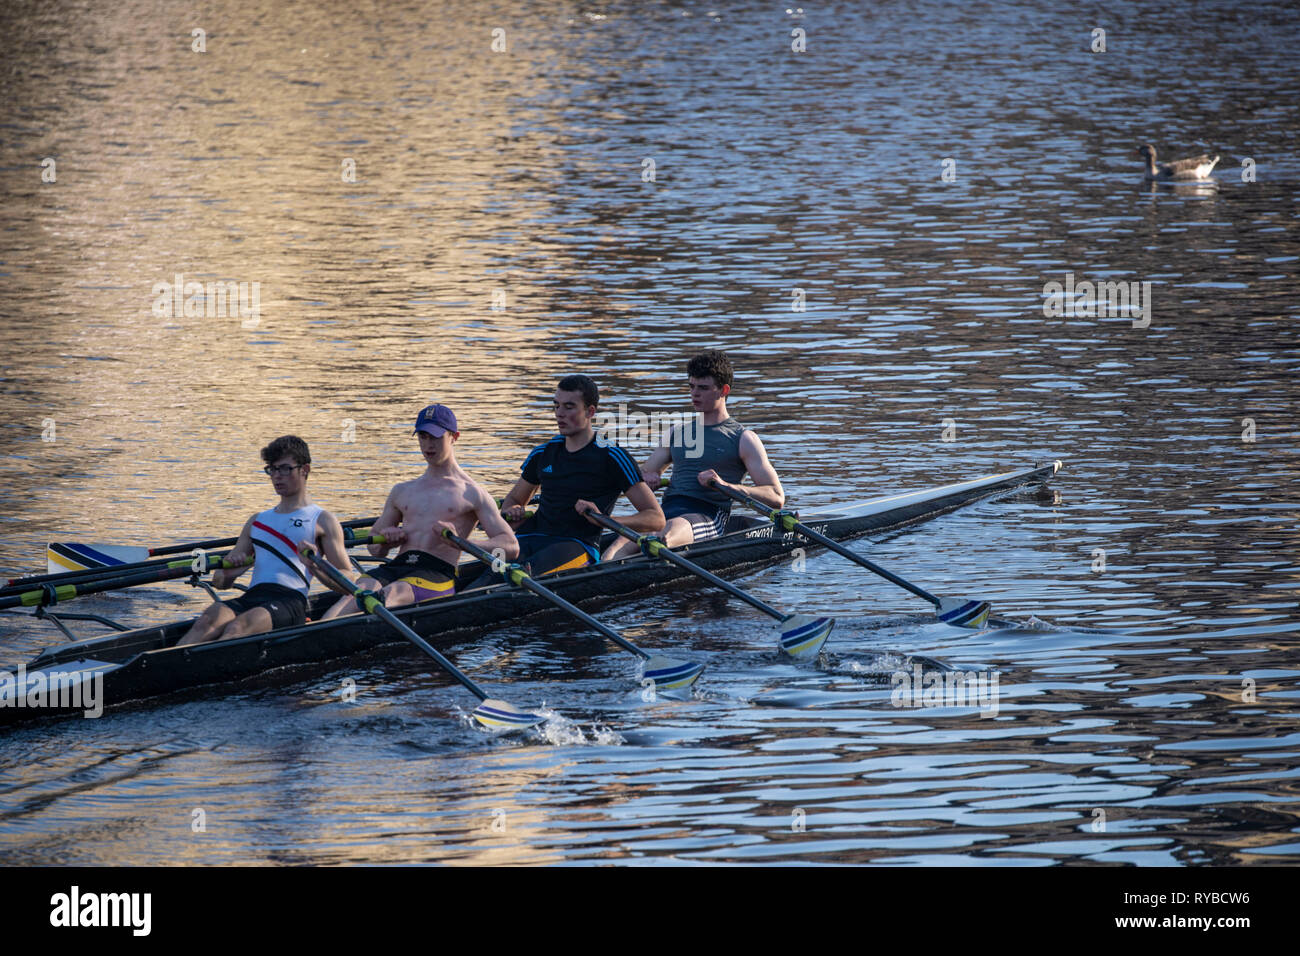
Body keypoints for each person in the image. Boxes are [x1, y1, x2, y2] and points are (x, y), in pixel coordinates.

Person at [318, 404, 518, 619]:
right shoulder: (402, 491)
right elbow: (374, 549)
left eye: (435, 437)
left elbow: (510, 547)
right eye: (422, 436)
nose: (428, 445)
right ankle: (311, 636)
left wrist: (462, 542)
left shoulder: (472, 493)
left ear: (454, 437)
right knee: (353, 594)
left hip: (437, 574)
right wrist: (386, 541)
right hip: (398, 566)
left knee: (390, 594)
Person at [604, 350, 784, 560]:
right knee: (618, 545)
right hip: (665, 510)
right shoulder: (676, 433)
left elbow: (776, 496)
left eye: (703, 388)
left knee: (665, 535)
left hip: (707, 515)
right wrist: (647, 479)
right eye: (692, 387)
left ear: (723, 390)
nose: (694, 394)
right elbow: (643, 475)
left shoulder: (743, 438)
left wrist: (726, 486)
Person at [176, 436, 351, 645]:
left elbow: (349, 580)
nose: (277, 477)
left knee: (238, 628)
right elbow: (219, 582)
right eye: (272, 469)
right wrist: (229, 575)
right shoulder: (257, 521)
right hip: (253, 596)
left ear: (304, 469)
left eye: (285, 469)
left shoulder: (322, 520)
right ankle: (163, 671)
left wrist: (316, 567)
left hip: (290, 601)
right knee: (206, 620)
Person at [499, 374, 663, 575]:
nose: (559, 414)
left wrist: (604, 519)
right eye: (556, 406)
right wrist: (513, 511)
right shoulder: (543, 453)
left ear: (590, 411)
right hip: (528, 536)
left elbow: (655, 518)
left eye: (569, 407)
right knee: (486, 579)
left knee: (519, 577)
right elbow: (514, 499)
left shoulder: (612, 456)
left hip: (576, 543)